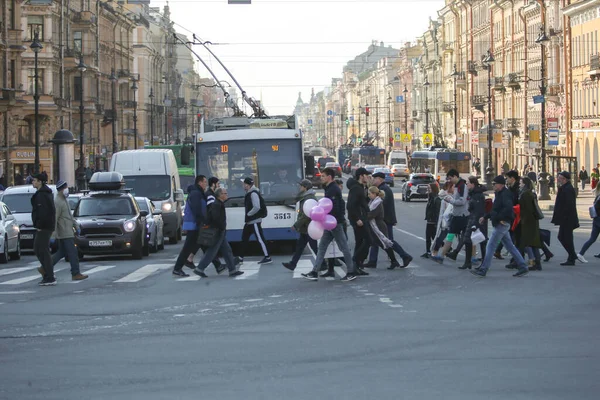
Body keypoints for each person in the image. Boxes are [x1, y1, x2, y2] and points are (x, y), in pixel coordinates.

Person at [302, 167, 357, 281]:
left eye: (323, 176)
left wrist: (333, 220)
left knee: (343, 247)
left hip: (334, 223)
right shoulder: (329, 188)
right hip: (328, 223)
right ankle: (314, 272)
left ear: (329, 177)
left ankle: (351, 271)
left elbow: (336, 207)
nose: (321, 178)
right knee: (322, 247)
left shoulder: (333, 189)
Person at [470, 175, 529, 278]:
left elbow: (508, 209)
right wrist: (486, 217)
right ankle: (523, 266)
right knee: (510, 246)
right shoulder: (499, 193)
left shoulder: (506, 194)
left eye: (494, 184)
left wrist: (498, 218)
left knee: (491, 245)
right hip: (501, 222)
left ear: (500, 185)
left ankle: (484, 269)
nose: (493, 186)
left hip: (502, 222)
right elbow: (495, 209)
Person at [172, 176, 225, 277]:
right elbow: (197, 209)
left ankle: (217, 265)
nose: (206, 184)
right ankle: (177, 268)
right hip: (194, 224)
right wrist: (202, 221)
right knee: (188, 248)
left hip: (195, 224)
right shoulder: (196, 193)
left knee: (204, 244)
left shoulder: (198, 192)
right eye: (204, 182)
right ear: (200, 182)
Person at [193, 188, 243, 278]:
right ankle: (200, 268)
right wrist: (221, 228)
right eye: (225, 193)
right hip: (217, 231)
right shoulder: (217, 204)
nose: (227, 194)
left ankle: (232, 270)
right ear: (220, 195)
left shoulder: (219, 203)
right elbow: (215, 218)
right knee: (211, 252)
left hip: (220, 231)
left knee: (227, 251)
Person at [367, 172, 412, 268]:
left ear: (380, 179)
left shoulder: (384, 190)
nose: (373, 180)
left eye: (375, 179)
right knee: (375, 240)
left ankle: (405, 256)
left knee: (388, 241)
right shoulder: (383, 189)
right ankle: (373, 261)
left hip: (385, 220)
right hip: (383, 220)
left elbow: (381, 206)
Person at [49, 180, 88, 281]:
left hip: (67, 230)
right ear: (61, 190)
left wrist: (76, 226)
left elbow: (69, 216)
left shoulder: (64, 200)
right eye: (65, 188)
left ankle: (45, 267)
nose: (67, 190)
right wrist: (53, 235)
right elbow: (54, 219)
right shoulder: (58, 201)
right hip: (64, 232)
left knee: (61, 253)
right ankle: (75, 273)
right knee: (73, 253)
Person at [450, 176, 487, 270]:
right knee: (467, 240)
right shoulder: (472, 193)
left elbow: (479, 210)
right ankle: (467, 262)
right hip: (472, 218)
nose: (466, 185)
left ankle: (484, 263)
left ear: (473, 184)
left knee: (482, 241)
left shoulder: (478, 195)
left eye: (468, 183)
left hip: (478, 220)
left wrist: (475, 223)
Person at [432, 169, 469, 263]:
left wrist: (450, 201)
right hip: (457, 214)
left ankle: (469, 258)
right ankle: (442, 256)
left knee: (465, 237)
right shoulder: (458, 186)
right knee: (452, 235)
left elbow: (462, 201)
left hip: (462, 215)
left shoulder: (462, 186)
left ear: (456, 176)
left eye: (450, 178)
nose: (449, 180)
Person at [185, 177, 221, 269]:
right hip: (197, 223)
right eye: (218, 184)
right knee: (202, 244)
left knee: (201, 243)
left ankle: (190, 260)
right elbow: (202, 209)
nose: (206, 184)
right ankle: (183, 264)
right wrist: (204, 221)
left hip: (198, 222)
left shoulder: (202, 193)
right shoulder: (201, 194)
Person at [282, 180, 318, 271]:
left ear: (305, 187)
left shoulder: (309, 198)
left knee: (314, 247)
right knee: (300, 247)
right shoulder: (305, 196)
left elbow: (305, 215)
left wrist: (296, 225)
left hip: (309, 227)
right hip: (306, 227)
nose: (299, 187)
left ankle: (323, 263)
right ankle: (293, 264)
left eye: (301, 186)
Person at [366, 186, 403, 269]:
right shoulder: (373, 201)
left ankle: (396, 260)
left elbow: (371, 214)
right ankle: (391, 261)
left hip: (379, 226)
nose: (368, 195)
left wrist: (363, 216)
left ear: (374, 194)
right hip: (375, 226)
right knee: (379, 244)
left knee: (385, 244)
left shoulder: (377, 202)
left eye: (369, 194)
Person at [31, 172, 57, 286]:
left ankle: (50, 276)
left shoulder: (42, 194)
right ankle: (47, 273)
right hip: (45, 226)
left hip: (44, 227)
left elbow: (44, 212)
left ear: (40, 182)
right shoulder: (43, 193)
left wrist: (41, 225)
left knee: (43, 250)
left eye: (35, 180)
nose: (33, 182)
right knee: (39, 249)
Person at [238, 177, 271, 265]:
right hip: (250, 221)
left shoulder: (253, 193)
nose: (243, 185)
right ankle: (240, 257)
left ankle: (267, 257)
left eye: (244, 184)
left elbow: (257, 206)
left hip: (254, 221)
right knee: (244, 239)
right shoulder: (250, 193)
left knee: (260, 239)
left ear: (248, 185)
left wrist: (249, 214)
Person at [346, 167, 372, 272]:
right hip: (359, 220)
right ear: (361, 176)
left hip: (362, 217)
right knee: (369, 240)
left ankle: (356, 266)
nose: (368, 177)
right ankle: (355, 260)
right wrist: (357, 219)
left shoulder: (361, 187)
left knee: (360, 242)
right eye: (366, 175)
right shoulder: (356, 188)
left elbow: (362, 202)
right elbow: (350, 205)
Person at [551, 171, 579, 265]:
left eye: (560, 178)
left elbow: (569, 205)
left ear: (565, 179)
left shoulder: (568, 189)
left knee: (565, 238)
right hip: (565, 218)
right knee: (563, 237)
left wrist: (563, 216)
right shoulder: (564, 188)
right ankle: (572, 256)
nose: (558, 179)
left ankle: (572, 257)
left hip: (568, 218)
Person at [515, 177, 542, 271]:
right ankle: (536, 262)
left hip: (528, 221)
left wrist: (522, 218)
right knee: (533, 243)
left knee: (528, 243)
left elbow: (527, 209)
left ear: (525, 184)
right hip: (531, 220)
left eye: (521, 183)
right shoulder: (529, 193)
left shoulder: (525, 194)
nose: (519, 184)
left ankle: (533, 262)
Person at [578, 183, 600, 262]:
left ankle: (581, 254)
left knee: (592, 239)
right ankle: (580, 254)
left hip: (596, 219)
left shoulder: (598, 196)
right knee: (592, 239)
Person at [422, 183, 441, 258]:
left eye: (429, 188)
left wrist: (437, 222)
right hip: (429, 220)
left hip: (433, 221)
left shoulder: (436, 198)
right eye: (427, 188)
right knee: (429, 237)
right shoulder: (430, 197)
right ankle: (428, 252)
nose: (428, 190)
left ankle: (447, 247)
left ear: (433, 189)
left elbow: (437, 212)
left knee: (434, 237)